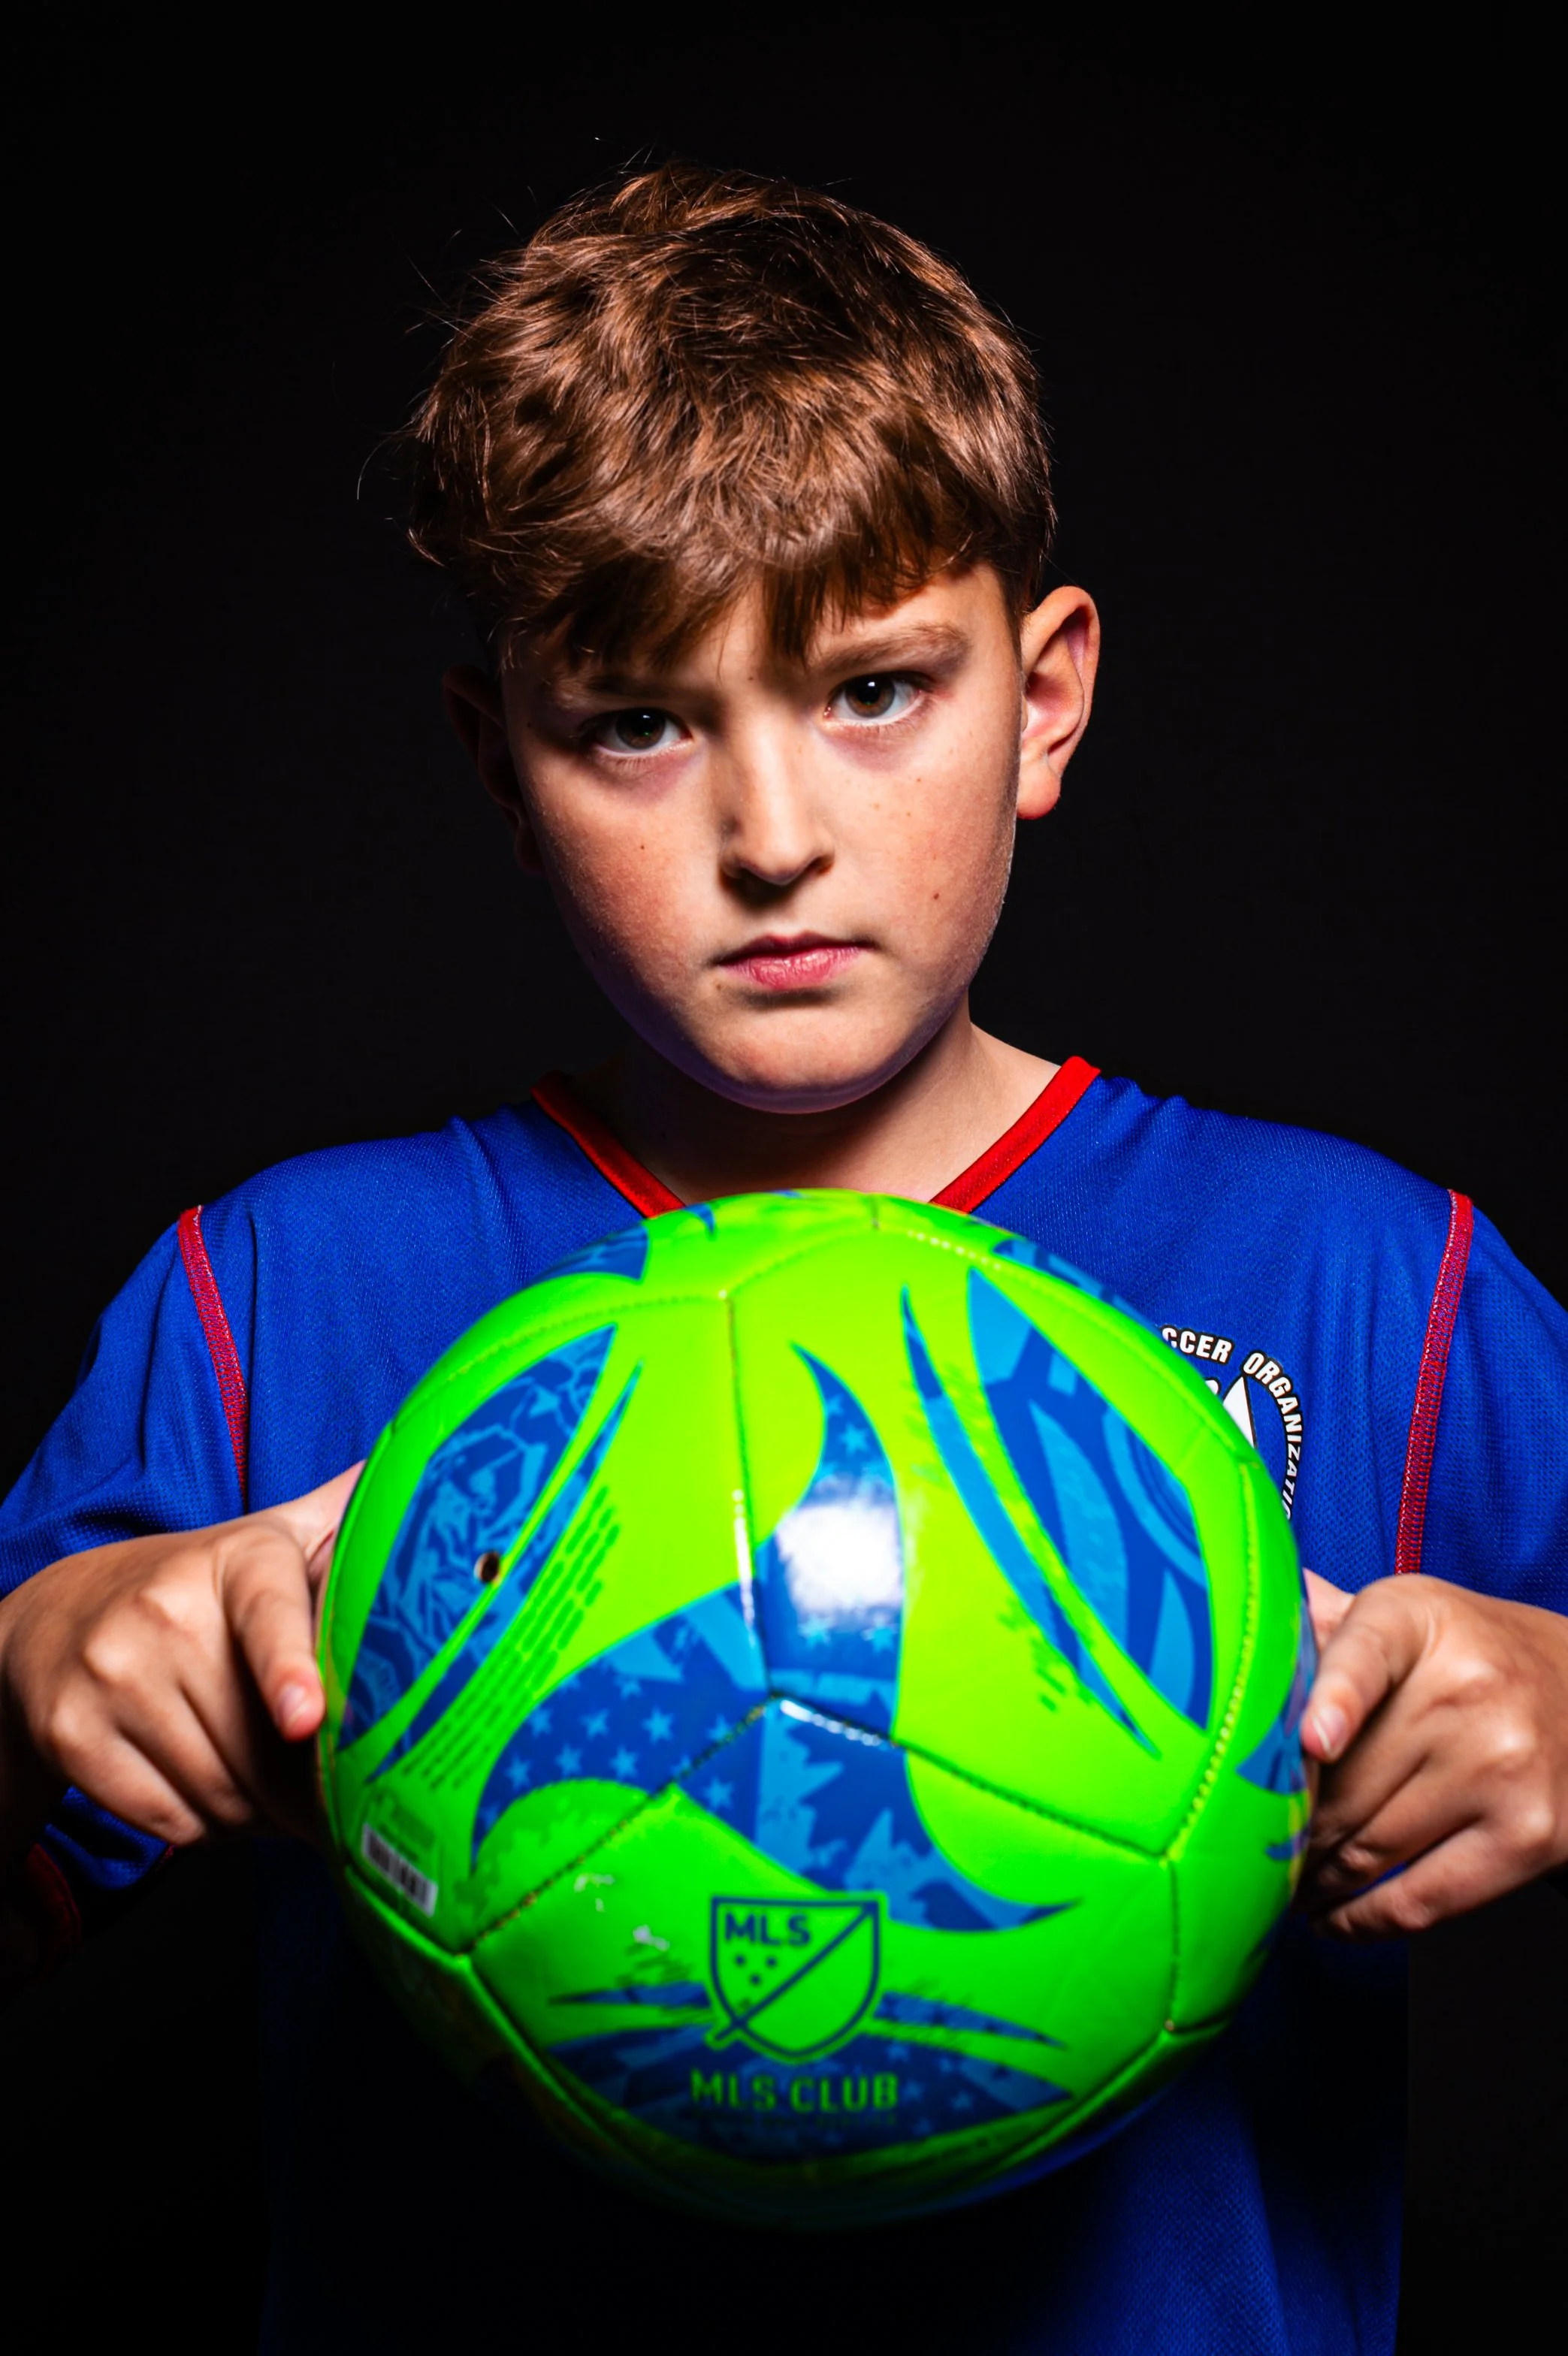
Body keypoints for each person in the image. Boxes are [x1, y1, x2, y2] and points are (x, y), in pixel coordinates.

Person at [1, 163, 1563, 2352]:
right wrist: (39, 1677)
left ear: (1044, 699)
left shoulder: (1366, 1287)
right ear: (498, 761)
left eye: (871, 691)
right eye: (640, 721)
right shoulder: (276, 1302)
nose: (771, 835)